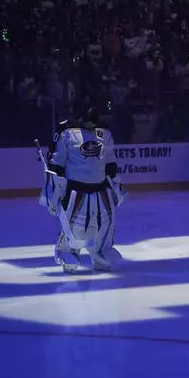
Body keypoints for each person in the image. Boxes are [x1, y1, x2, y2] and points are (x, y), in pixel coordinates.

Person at [47, 107, 122, 273]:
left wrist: (116, 182)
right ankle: (68, 253)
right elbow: (57, 162)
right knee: (74, 226)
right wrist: (53, 190)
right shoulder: (68, 134)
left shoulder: (104, 134)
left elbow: (110, 160)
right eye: (88, 121)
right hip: (76, 190)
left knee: (105, 224)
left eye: (93, 122)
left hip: (101, 189)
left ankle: (101, 253)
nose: (91, 125)